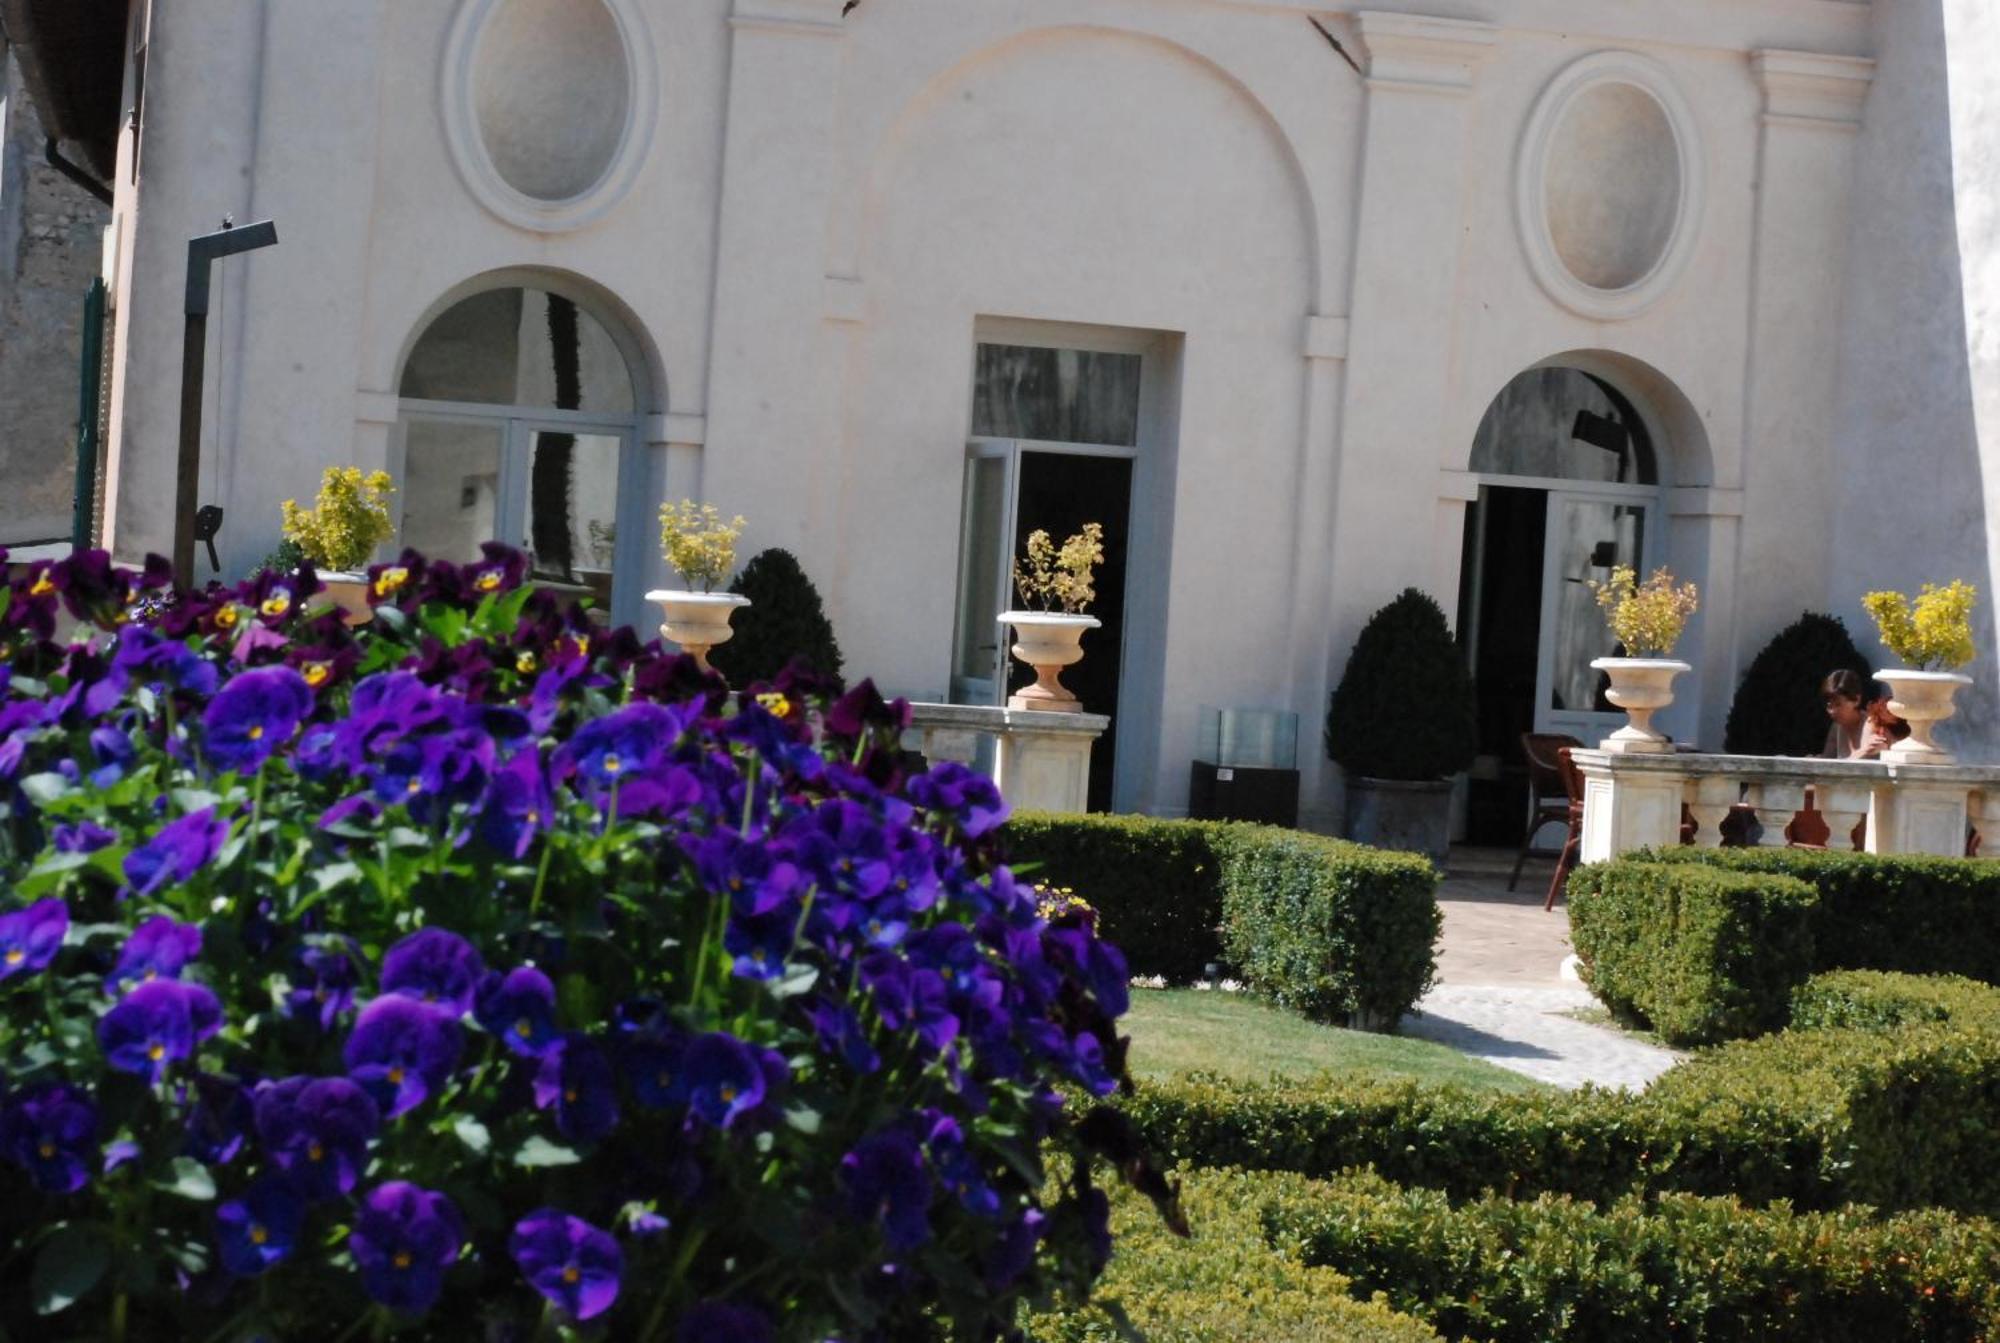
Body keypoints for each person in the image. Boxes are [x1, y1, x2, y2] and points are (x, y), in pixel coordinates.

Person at [1820, 669, 1868, 758]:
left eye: (1838, 704)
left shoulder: (1872, 724)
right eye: (1829, 706)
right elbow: (1827, 759)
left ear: (1856, 700)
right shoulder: (1837, 727)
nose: (1832, 711)